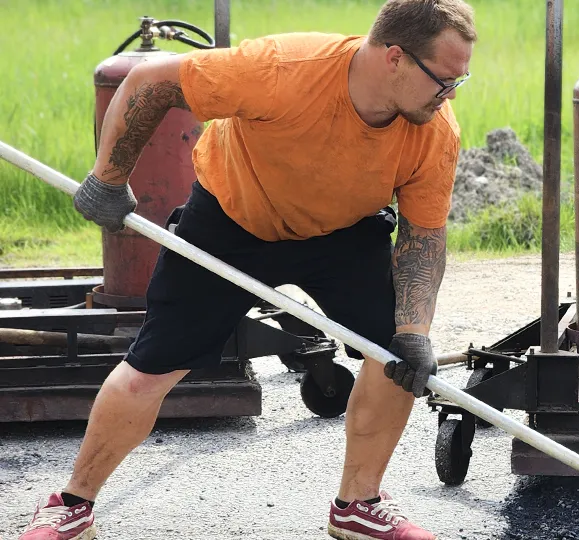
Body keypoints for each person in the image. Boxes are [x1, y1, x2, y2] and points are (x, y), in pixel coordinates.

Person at [17, 1, 475, 539]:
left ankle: (359, 504)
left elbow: (422, 234)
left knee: (395, 354)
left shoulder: (435, 131)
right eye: (444, 80)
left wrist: (414, 330)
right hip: (230, 221)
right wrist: (108, 177)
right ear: (395, 57)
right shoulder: (283, 69)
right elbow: (151, 81)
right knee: (151, 366)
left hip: (343, 234)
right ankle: (72, 504)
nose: (449, 95)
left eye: (459, 83)